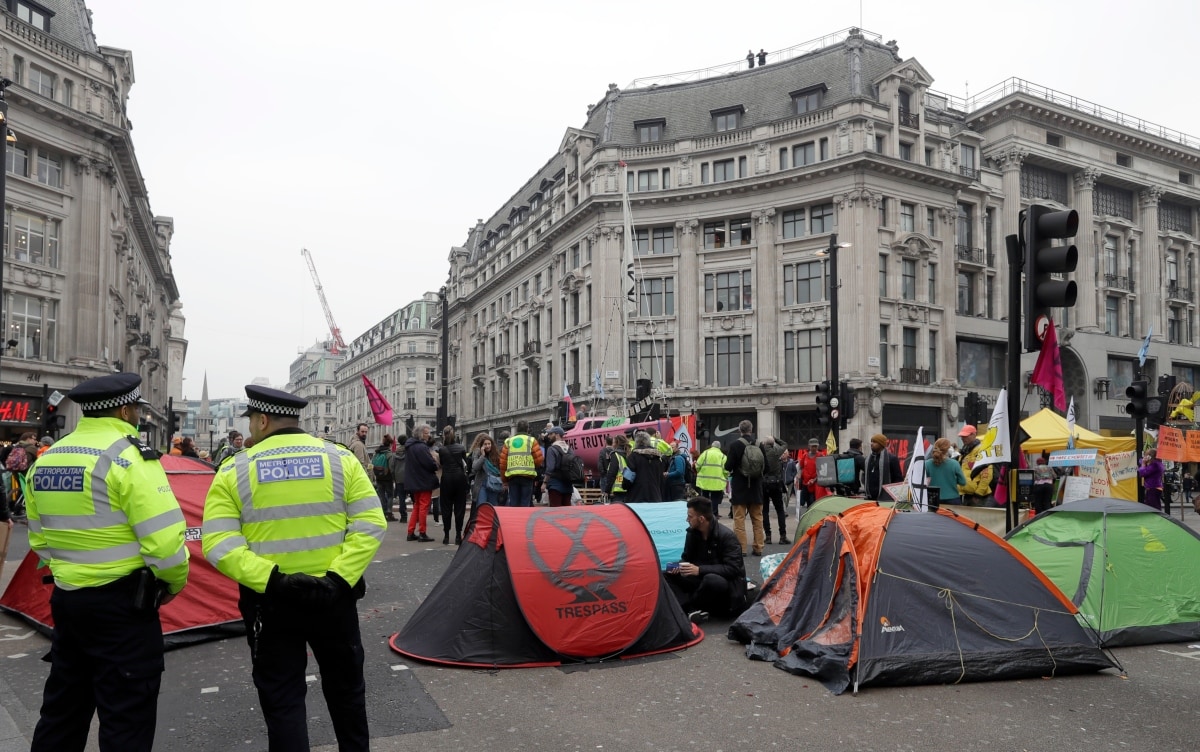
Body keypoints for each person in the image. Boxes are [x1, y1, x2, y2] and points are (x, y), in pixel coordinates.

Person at [202, 384, 384, 752]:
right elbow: (371, 522)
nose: (251, 429)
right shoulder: (340, 459)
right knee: (348, 695)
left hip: (271, 604)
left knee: (283, 700)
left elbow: (219, 544)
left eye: (252, 421)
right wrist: (338, 579)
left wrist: (273, 580)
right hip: (334, 600)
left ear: (263, 419)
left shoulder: (235, 469)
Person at [28, 372, 190, 752]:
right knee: (125, 722)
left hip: (68, 604)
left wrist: (74, 568)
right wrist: (172, 585)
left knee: (62, 714)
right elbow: (166, 543)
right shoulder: (130, 458)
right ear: (124, 408)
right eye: (136, 409)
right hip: (123, 611)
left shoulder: (49, 459)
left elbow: (40, 541)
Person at [665, 496, 748, 622]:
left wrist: (699, 570)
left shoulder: (727, 537)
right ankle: (688, 608)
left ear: (701, 519)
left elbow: (733, 569)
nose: (687, 519)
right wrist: (679, 567)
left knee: (712, 580)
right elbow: (687, 559)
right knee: (666, 573)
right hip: (701, 579)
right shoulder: (692, 533)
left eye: (690, 516)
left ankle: (691, 607)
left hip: (726, 585)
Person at [725, 420, 765, 556]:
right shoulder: (760, 445)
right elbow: (767, 468)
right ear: (751, 430)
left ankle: (742, 548)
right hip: (756, 487)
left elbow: (728, 466)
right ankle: (758, 547)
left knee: (739, 520)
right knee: (758, 520)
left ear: (739, 431)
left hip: (740, 487)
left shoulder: (735, 445)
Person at [404, 424, 440, 541]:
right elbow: (430, 464)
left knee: (417, 506)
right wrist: (435, 463)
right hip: (424, 480)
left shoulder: (410, 447)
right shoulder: (422, 447)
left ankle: (410, 532)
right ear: (420, 434)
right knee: (424, 507)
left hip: (414, 480)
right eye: (426, 433)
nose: (429, 435)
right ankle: (422, 532)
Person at [436, 426, 470, 544]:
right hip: (459, 478)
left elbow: (442, 463)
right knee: (459, 508)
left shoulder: (442, 449)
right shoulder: (461, 447)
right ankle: (458, 535)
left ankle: (446, 535)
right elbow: (464, 463)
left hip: (447, 479)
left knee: (446, 507)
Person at [500, 420, 544, 507]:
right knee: (525, 504)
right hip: (527, 477)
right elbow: (539, 460)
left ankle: (514, 520)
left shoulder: (509, 441)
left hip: (513, 477)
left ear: (517, 429)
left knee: (514, 504)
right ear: (527, 429)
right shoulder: (531, 440)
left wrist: (504, 481)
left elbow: (503, 463)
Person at [759, 436, 788, 545]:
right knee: (780, 510)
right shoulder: (776, 451)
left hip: (764, 484)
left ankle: (768, 536)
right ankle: (782, 536)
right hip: (776, 483)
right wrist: (775, 439)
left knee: (764, 511)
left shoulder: (760, 452)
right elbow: (785, 444)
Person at [956, 425, 994, 506]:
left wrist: (978, 494)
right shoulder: (965, 451)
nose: (963, 438)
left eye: (965, 436)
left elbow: (987, 475)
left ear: (973, 435)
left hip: (979, 497)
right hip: (966, 494)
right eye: (962, 436)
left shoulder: (981, 451)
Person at [923, 437, 967, 509]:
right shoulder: (954, 463)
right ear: (948, 449)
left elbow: (923, 482)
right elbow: (963, 482)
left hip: (933, 500)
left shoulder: (927, 464)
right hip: (953, 499)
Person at [624, 431, 666, 502]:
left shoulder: (633, 456)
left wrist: (624, 486)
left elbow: (628, 477)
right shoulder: (658, 457)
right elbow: (661, 478)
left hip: (636, 496)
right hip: (655, 496)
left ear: (636, 442)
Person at [542, 426, 576, 507]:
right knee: (567, 513)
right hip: (568, 486)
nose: (549, 436)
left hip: (555, 486)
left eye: (550, 434)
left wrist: (544, 483)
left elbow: (550, 468)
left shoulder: (552, 449)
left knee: (555, 513)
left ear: (557, 435)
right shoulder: (570, 449)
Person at [470, 433, 503, 511]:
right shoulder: (478, 453)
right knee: (481, 507)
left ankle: (492, 523)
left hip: (493, 484)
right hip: (482, 484)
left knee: (493, 508)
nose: (488, 446)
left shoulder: (495, 454)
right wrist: (482, 456)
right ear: (482, 445)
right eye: (485, 444)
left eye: (489, 444)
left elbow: (500, 469)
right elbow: (475, 467)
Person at [864, 433, 902, 501]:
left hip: (886, 498)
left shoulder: (891, 458)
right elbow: (864, 475)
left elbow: (898, 479)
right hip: (870, 498)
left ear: (881, 444)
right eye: (871, 441)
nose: (872, 444)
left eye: (875, 442)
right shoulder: (868, 459)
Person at [694, 440, 727, 515]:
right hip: (717, 482)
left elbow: (697, 465)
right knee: (715, 499)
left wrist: (700, 472)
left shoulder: (705, 453)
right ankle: (714, 513)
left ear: (712, 446)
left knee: (705, 498)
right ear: (719, 447)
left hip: (704, 481)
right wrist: (725, 476)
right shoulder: (723, 456)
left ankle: (704, 513)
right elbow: (726, 470)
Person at [603, 434, 631, 502]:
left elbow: (611, 474)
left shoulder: (615, 455)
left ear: (616, 443)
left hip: (618, 492)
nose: (612, 445)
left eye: (613, 442)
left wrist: (607, 491)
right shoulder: (630, 454)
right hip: (629, 489)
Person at [389, 435, 408, 522]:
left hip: (399, 479)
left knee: (401, 498)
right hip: (409, 478)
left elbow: (392, 467)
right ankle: (417, 517)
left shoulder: (394, 454)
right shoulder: (409, 452)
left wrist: (395, 478)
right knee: (414, 497)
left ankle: (403, 516)